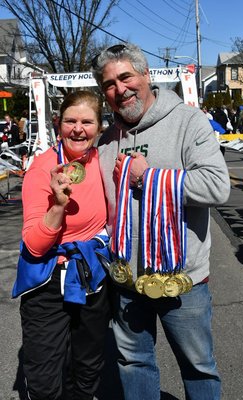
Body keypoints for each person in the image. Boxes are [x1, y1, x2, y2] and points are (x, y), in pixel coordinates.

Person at [92, 42, 230, 400]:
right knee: (133, 363)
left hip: (181, 283)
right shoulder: (107, 140)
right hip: (125, 282)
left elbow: (218, 187)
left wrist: (151, 176)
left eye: (126, 77)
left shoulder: (188, 121)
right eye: (109, 84)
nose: (119, 89)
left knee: (198, 367)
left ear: (146, 75)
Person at [12, 90, 111, 400]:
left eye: (87, 121)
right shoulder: (42, 168)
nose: (78, 129)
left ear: (99, 126)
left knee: (88, 366)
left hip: (90, 276)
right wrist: (57, 205)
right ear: (58, 124)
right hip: (47, 280)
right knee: (44, 377)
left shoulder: (104, 162)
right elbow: (35, 246)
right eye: (70, 121)